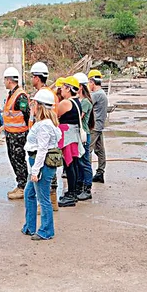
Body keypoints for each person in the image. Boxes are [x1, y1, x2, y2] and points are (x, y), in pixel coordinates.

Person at [23, 89, 63, 241]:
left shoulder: (44, 125)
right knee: (29, 193)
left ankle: (46, 230)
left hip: (41, 164)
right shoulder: (49, 124)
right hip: (40, 163)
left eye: (34, 103)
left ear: (40, 106)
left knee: (43, 198)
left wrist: (35, 171)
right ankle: (29, 226)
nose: (32, 106)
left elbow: (42, 149)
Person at [2, 66, 31, 201]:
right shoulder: (12, 94)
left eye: (5, 79)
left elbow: (27, 115)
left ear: (9, 80)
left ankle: (23, 186)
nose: (4, 82)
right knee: (14, 159)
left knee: (19, 160)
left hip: (18, 135)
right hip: (11, 134)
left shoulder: (20, 96)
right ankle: (21, 183)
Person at [54, 77, 85, 207]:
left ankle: (71, 195)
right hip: (72, 136)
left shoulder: (66, 103)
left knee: (69, 165)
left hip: (67, 137)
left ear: (68, 88)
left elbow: (55, 114)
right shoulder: (76, 101)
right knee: (73, 164)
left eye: (63, 87)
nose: (60, 89)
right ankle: (73, 192)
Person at [74, 72, 95, 201]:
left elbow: (78, 118)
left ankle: (87, 188)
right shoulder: (79, 101)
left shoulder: (86, 102)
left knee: (85, 162)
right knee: (79, 161)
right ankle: (80, 185)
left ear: (80, 87)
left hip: (83, 135)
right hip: (78, 135)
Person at [87, 69, 109, 183]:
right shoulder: (102, 94)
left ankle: (87, 174)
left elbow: (85, 105)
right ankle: (100, 172)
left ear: (92, 82)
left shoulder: (96, 95)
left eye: (88, 82)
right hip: (99, 126)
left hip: (94, 127)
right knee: (100, 150)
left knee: (88, 150)